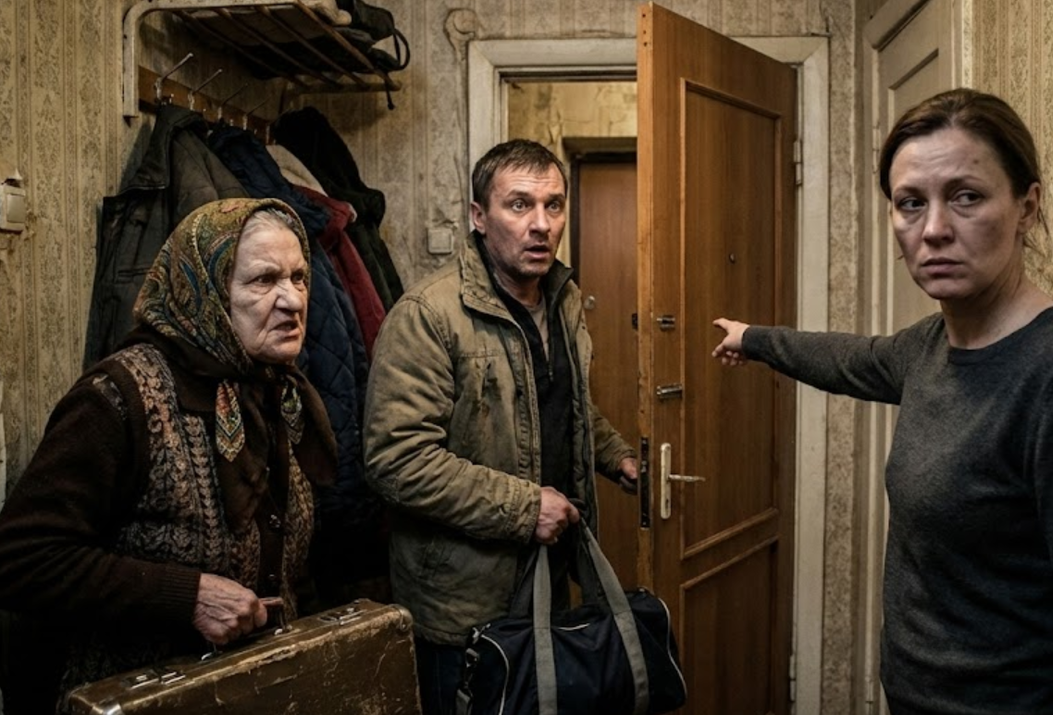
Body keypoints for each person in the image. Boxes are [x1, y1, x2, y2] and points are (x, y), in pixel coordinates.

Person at [712, 89, 1053, 715]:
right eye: (911, 203)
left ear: (1027, 207)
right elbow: (852, 358)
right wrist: (754, 339)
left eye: (966, 196)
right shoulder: (930, 346)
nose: (935, 229)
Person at [0, 198, 336, 714]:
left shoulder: (279, 392)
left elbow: (292, 566)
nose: (292, 300)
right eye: (264, 280)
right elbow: (21, 557)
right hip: (136, 699)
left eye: (298, 277)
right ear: (204, 288)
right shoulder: (120, 397)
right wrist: (187, 596)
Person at [362, 138, 639, 715]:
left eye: (553, 205)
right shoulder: (428, 315)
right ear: (479, 217)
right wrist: (524, 507)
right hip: (462, 608)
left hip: (548, 582)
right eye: (519, 205)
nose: (541, 224)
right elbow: (397, 461)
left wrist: (616, 455)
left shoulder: (563, 299)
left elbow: (563, 403)